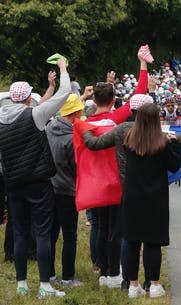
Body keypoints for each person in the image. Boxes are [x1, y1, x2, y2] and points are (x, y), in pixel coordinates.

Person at [84, 102, 181, 298]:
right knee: (152, 242)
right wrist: (173, 144)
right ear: (157, 120)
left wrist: (85, 130)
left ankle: (133, 285)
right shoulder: (162, 143)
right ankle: (154, 285)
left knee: (131, 241)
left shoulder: (128, 140)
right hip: (155, 198)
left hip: (131, 197)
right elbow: (174, 166)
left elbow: (96, 143)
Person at [0, 58, 70, 298]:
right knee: (42, 232)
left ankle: (21, 284)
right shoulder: (35, 116)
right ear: (29, 97)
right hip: (38, 183)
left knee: (19, 232)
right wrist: (62, 69)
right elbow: (64, 93)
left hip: (14, 184)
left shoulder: (1, 118)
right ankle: (44, 285)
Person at [86, 48, 149, 289]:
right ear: (114, 101)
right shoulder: (116, 120)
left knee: (99, 227)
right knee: (115, 229)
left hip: (94, 183)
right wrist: (142, 65)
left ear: (93, 101)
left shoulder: (85, 123)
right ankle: (113, 271)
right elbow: (139, 94)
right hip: (115, 182)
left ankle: (102, 270)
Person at [46, 93, 86, 287]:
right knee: (70, 235)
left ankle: (50, 276)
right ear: (75, 113)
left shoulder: (47, 129)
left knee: (50, 234)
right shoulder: (71, 138)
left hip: (48, 188)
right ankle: (68, 278)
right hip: (67, 191)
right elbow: (77, 168)